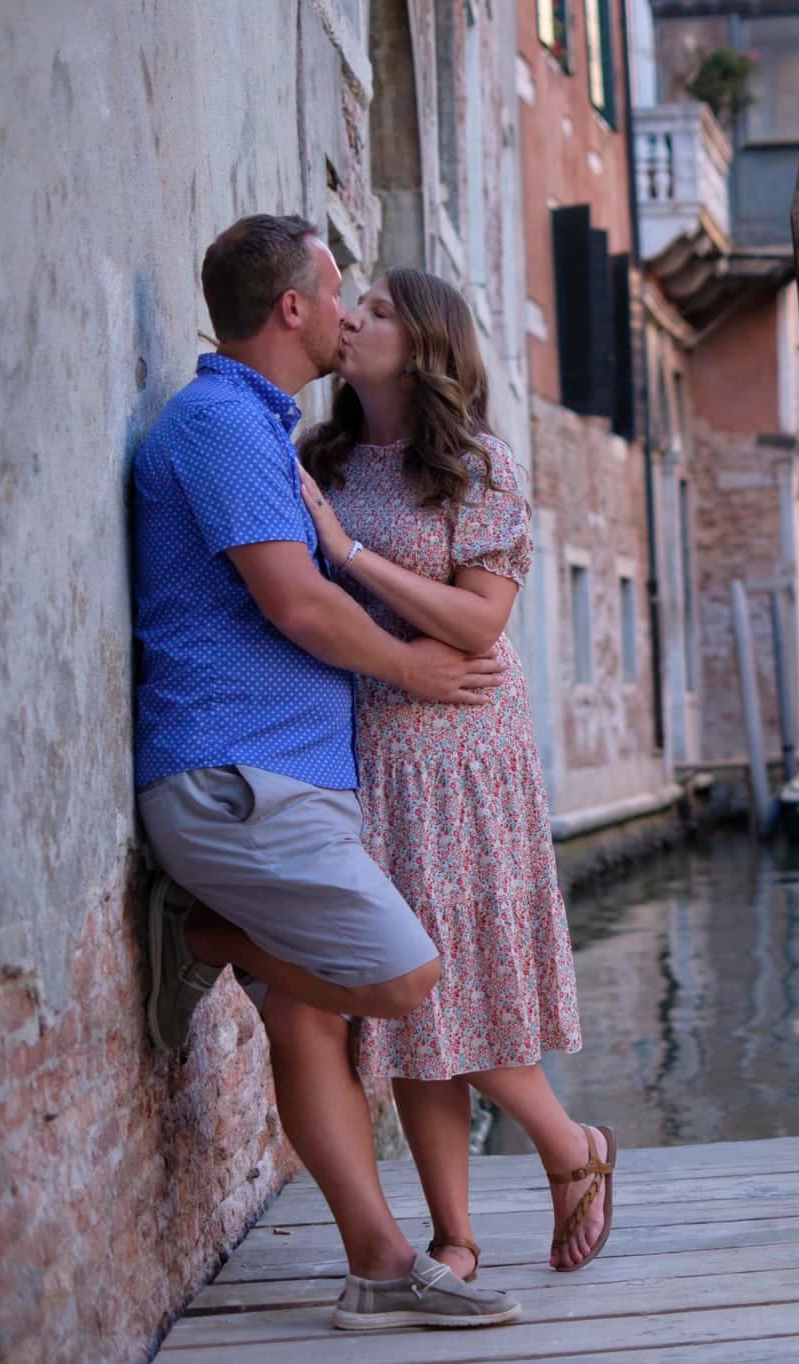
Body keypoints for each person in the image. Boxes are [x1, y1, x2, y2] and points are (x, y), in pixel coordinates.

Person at [133, 216, 520, 1331]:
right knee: (403, 980)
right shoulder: (222, 425)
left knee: (309, 1020)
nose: (351, 311)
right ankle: (193, 933)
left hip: (282, 781)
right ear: (293, 308)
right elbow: (293, 602)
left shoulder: (270, 434)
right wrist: (409, 666)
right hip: (240, 781)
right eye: (338, 290)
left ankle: (380, 1262)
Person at [295, 266, 616, 1284]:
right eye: (356, 304)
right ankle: (459, 1233)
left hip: (466, 749)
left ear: (427, 342)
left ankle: (567, 1147)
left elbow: (480, 620)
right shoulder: (321, 457)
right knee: (409, 999)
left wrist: (345, 549)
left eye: (379, 309)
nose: (353, 317)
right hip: (367, 747)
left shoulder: (478, 464)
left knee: (455, 982)